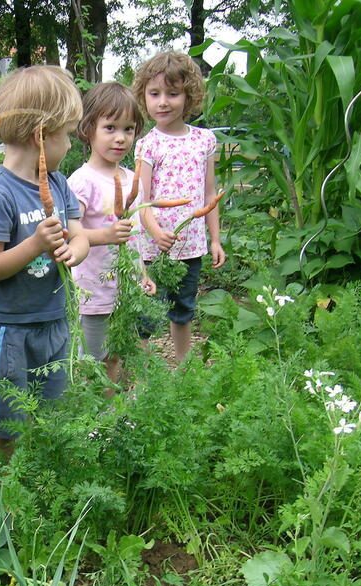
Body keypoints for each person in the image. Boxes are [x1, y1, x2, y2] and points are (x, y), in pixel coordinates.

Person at [0, 66, 90, 458]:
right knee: (8, 421)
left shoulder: (57, 182)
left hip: (52, 318)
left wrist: (77, 250)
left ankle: (42, 476)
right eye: (68, 135)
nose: (71, 146)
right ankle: (4, 485)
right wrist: (36, 244)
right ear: (40, 135)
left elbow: (79, 233)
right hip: (11, 326)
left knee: (53, 408)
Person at [132, 51, 226, 363]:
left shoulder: (205, 140)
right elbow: (140, 198)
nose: (163, 102)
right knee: (147, 315)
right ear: (143, 96)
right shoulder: (147, 144)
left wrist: (214, 240)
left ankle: (184, 369)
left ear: (189, 96)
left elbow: (209, 193)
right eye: (154, 94)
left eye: (172, 94)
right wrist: (155, 231)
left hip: (191, 246)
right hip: (154, 247)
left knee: (183, 310)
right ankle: (146, 377)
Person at [67, 82, 156, 386]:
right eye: (110, 127)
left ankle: (116, 416)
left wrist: (142, 273)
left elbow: (136, 238)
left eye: (129, 129)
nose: (120, 138)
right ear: (88, 128)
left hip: (126, 291)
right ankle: (96, 421)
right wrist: (106, 235)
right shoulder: (82, 181)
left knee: (120, 355)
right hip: (93, 293)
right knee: (95, 363)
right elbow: (70, 235)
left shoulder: (133, 180)